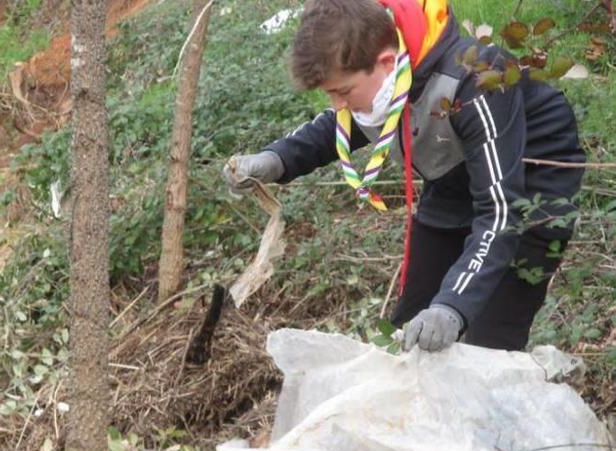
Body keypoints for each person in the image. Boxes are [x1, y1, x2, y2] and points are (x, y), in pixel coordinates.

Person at [223, 0, 585, 352]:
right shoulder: (385, 73)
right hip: (454, 176)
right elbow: (344, 126)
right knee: (408, 330)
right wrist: (276, 159)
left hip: (531, 185)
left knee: (488, 346)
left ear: (385, 62)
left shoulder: (473, 84)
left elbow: (502, 213)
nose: (338, 105)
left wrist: (453, 307)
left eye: (342, 92)